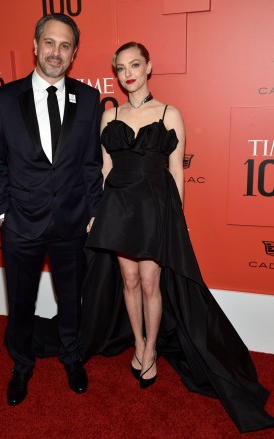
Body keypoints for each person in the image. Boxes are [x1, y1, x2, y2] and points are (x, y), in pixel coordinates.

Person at [81, 42, 274, 433]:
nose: (128, 73)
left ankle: (151, 348)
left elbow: (176, 172)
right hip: (117, 209)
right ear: (116, 74)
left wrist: (174, 219)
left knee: (151, 283)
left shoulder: (170, 113)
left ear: (149, 66)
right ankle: (137, 342)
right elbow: (104, 169)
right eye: (120, 68)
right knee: (129, 281)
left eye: (134, 64)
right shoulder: (109, 115)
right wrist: (96, 211)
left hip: (154, 210)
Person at [0, 13, 103, 406]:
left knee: (72, 298)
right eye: (49, 43)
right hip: (21, 222)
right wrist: (3, 213)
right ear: (35, 45)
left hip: (71, 221)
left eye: (65, 45)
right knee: (21, 300)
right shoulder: (3, 99)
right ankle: (21, 364)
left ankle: (71, 356)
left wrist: (93, 211)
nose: (56, 52)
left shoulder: (87, 99)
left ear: (73, 54)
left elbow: (90, 163)